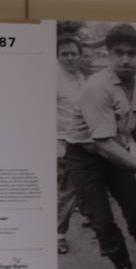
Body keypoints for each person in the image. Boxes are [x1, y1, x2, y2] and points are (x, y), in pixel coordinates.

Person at [61, 23, 136, 269]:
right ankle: (122, 264)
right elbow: (103, 144)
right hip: (85, 157)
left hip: (115, 152)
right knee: (101, 220)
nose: (125, 59)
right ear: (108, 55)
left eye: (132, 54)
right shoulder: (98, 87)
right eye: (118, 53)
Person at [55, 29, 88, 255]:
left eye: (73, 53)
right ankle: (58, 235)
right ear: (58, 56)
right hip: (62, 142)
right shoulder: (53, 80)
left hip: (82, 141)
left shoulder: (80, 78)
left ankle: (87, 214)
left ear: (80, 55)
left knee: (76, 187)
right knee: (67, 191)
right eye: (65, 54)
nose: (69, 57)